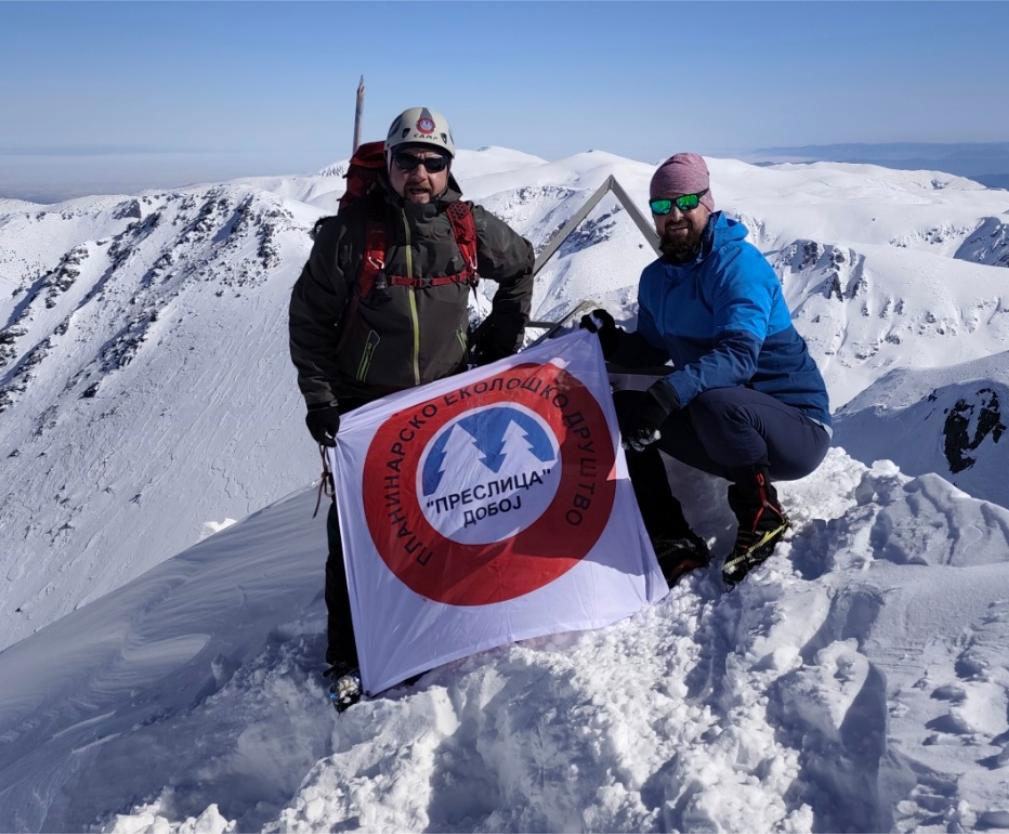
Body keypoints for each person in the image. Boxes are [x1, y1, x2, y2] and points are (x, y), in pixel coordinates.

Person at [288, 107, 535, 710]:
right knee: (355, 536)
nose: (420, 172)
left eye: (433, 161)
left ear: (448, 168)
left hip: (444, 403)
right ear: (390, 165)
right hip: (367, 407)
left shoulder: (467, 227)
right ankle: (349, 655)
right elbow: (309, 322)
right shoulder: (350, 236)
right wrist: (321, 400)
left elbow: (520, 263)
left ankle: (439, 625)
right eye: (408, 160)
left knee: (443, 516)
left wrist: (503, 332)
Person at [582, 153, 830, 587]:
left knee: (714, 400)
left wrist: (668, 395)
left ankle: (762, 513)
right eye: (662, 206)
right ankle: (671, 537)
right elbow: (652, 347)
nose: (674, 215)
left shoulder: (738, 266)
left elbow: (738, 357)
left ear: (707, 204)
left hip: (795, 429)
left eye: (685, 202)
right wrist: (612, 341)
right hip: (722, 429)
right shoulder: (656, 279)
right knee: (623, 412)